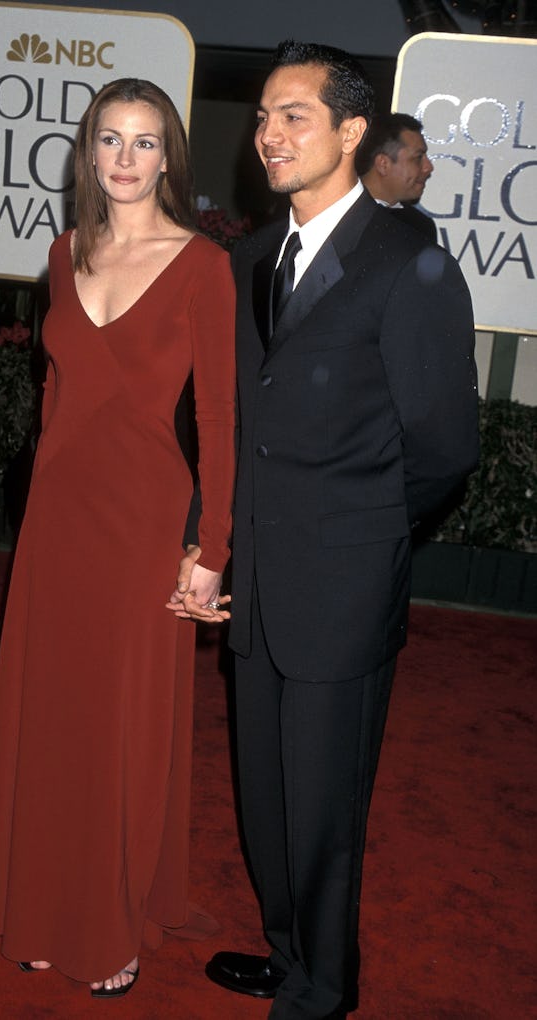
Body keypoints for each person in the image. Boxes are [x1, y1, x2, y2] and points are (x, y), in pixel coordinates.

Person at [168, 40, 479, 1019]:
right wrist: (207, 542)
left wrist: (364, 541)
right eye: (262, 116)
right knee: (264, 794)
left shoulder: (408, 262)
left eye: (293, 115)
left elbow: (443, 445)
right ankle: (286, 950)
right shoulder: (249, 257)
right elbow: (222, 422)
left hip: (340, 587)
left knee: (325, 808)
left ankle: (322, 991)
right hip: (254, 581)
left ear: (352, 132)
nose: (268, 134)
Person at [0, 78, 236, 998]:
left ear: (169, 158)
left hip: (147, 522)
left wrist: (212, 549)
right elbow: (55, 399)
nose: (124, 158)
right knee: (51, 713)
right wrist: (33, 504)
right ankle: (37, 905)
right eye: (109, 140)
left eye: (145, 142)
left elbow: (222, 421)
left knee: (119, 723)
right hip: (59, 520)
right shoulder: (63, 250)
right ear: (88, 153)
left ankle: (107, 919)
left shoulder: (202, 265)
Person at [356, 111, 437, 241]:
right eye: (418, 158)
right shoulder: (334, 211)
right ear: (383, 164)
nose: (428, 167)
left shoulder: (421, 227)